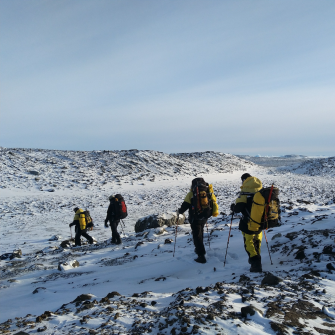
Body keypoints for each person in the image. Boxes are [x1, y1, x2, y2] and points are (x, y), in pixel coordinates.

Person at [177, 177, 216, 264]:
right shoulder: (207, 192)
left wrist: (179, 212)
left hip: (195, 218)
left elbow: (184, 206)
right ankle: (201, 250)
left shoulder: (191, 194)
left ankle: (201, 255)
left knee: (196, 236)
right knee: (200, 233)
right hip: (204, 217)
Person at [231, 173, 264, 272]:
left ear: (244, 181)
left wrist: (233, 207)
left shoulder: (245, 193)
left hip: (248, 223)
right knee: (257, 240)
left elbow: (238, 208)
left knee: (248, 242)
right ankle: (257, 257)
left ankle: (255, 263)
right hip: (260, 222)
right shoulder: (261, 191)